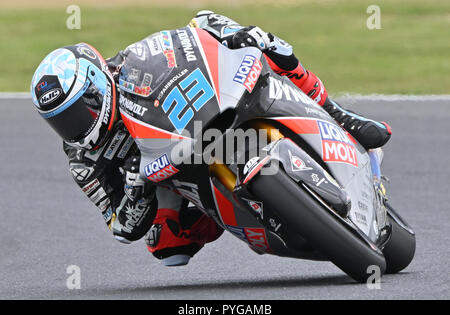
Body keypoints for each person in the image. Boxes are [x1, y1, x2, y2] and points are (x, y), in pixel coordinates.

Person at [30, 11, 391, 267]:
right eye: (61, 121)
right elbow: (121, 228)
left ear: (97, 85)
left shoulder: (131, 66)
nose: (75, 127)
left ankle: (339, 113)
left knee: (256, 39)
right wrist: (136, 186)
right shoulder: (82, 159)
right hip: (172, 174)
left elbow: (189, 37)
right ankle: (230, 211)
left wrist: (225, 34)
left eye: (79, 112)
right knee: (166, 247)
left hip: (206, 118)